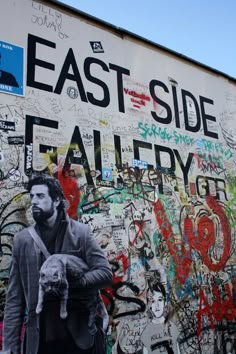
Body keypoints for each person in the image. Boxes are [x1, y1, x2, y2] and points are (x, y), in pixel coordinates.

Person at [3, 175, 112, 354]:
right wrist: (9, 348)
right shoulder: (22, 241)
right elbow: (15, 299)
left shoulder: (81, 233)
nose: (34, 202)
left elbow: (105, 273)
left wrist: (78, 281)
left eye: (40, 196)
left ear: (55, 200)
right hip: (41, 339)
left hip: (80, 337)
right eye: (32, 197)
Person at [141, 282, 180, 354]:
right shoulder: (146, 332)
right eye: (153, 301)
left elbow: (177, 351)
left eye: (160, 300)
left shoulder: (172, 327)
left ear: (164, 302)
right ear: (149, 305)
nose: (157, 305)